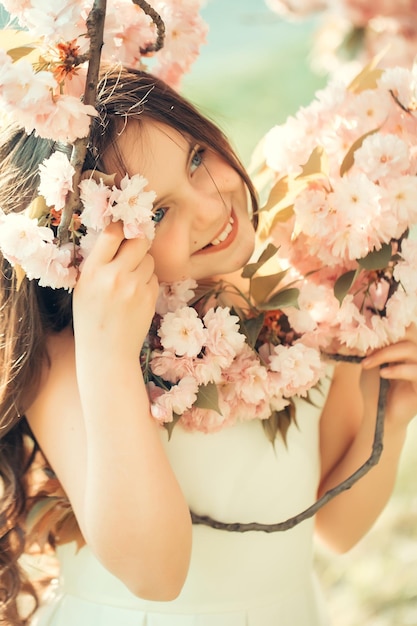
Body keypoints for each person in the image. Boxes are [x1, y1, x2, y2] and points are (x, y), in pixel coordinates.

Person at [0, 64, 416, 626]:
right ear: (92, 247)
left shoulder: (302, 303)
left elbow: (335, 527)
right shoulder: (69, 355)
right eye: (157, 211)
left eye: (196, 158)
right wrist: (110, 359)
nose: (210, 207)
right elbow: (156, 575)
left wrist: (397, 407)